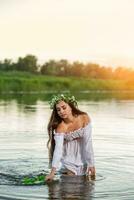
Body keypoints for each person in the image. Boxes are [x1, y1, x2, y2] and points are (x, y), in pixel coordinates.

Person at [45, 94, 95, 181]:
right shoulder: (61, 127)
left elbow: (88, 143)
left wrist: (91, 164)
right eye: (58, 110)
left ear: (71, 107)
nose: (61, 111)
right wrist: (52, 173)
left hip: (83, 163)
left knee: (85, 193)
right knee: (70, 192)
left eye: (64, 108)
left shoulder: (84, 118)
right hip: (68, 163)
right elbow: (58, 150)